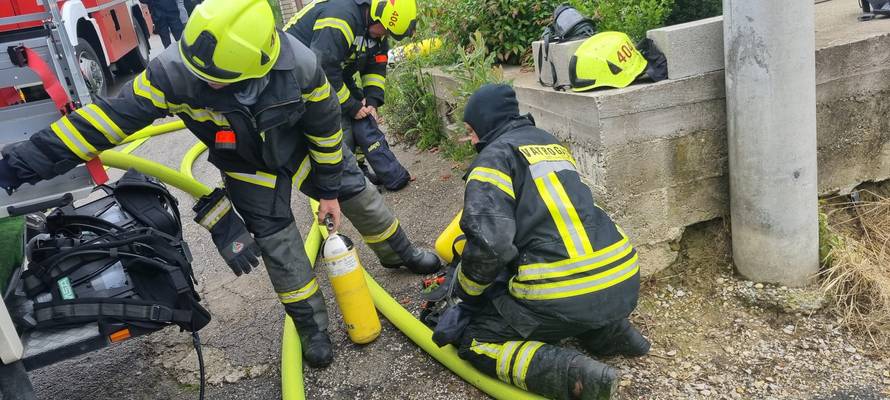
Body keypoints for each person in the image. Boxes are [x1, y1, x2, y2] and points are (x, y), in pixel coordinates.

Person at [0, 0, 439, 369]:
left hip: (301, 146)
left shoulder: (301, 68)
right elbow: (99, 125)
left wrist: (328, 190)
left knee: (361, 197)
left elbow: (326, 133)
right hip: (247, 165)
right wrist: (15, 168)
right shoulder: (175, 73)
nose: (205, 83)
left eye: (216, 80)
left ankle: (401, 254)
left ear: (260, 66)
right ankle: (312, 328)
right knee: (279, 245)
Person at [449, 84, 650, 399]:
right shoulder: (549, 143)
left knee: (476, 340)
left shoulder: (493, 158)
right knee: (578, 295)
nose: (471, 140)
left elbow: (491, 246)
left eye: (471, 131)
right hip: (622, 275)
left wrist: (466, 294)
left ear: (485, 124)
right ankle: (609, 330)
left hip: (562, 292)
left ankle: (577, 376)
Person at [285, 0, 413, 190]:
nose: (384, 34)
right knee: (338, 120)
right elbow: (323, 68)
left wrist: (371, 100)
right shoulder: (340, 17)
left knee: (363, 115)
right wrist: (351, 106)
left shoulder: (375, 28)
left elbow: (375, 66)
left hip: (331, 72)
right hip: (295, 77)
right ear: (375, 13)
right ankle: (345, 182)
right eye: (385, 29)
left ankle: (358, 169)